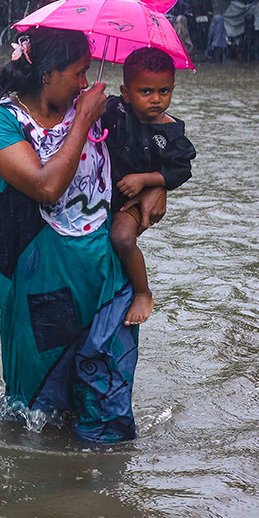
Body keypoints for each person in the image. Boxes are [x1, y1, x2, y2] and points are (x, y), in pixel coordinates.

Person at [0, 26, 165, 443]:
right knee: (37, 413)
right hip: (37, 278)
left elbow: (157, 143)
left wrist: (158, 186)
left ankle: (104, 487)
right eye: (77, 73)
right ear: (46, 74)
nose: (84, 82)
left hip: (103, 272)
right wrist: (82, 122)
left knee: (108, 394)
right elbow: (46, 186)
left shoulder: (97, 109)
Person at [103, 47, 195, 325]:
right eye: (146, 92)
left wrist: (148, 180)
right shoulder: (113, 110)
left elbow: (181, 169)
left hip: (132, 203)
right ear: (126, 92)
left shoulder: (171, 131)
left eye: (164, 92)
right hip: (101, 195)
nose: (156, 100)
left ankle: (143, 292)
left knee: (121, 239)